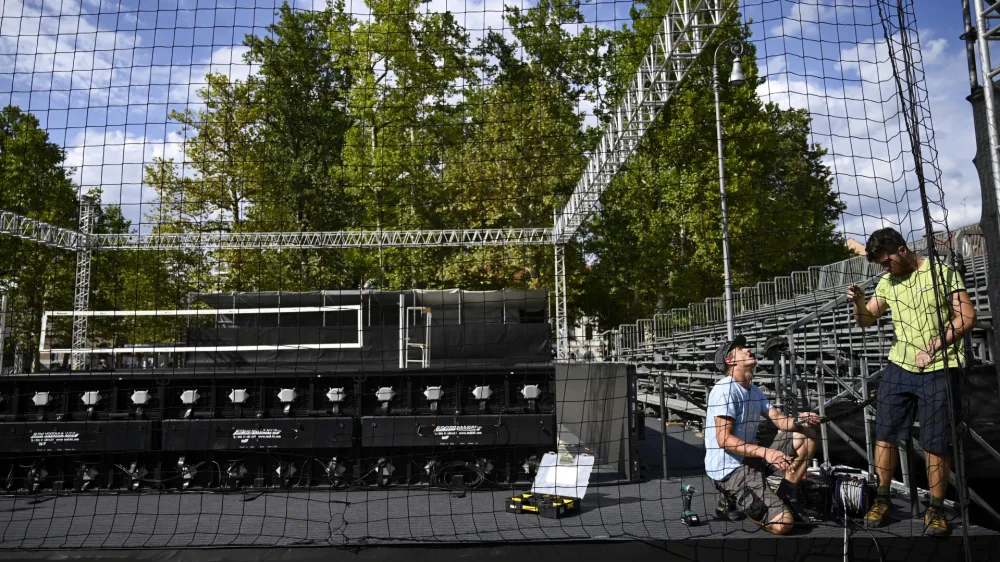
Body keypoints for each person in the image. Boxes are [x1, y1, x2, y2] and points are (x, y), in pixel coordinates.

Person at [848, 227, 976, 537]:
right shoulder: (887, 281)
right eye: (879, 264)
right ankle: (882, 499)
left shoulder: (941, 272)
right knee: (884, 434)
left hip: (940, 367)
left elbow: (967, 317)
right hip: (899, 366)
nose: (884, 268)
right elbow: (866, 320)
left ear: (902, 250)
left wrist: (933, 346)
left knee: (934, 441)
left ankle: (935, 508)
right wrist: (859, 302)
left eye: (886, 261)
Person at [705, 335, 820, 535]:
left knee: (806, 434)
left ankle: (784, 496)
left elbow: (780, 421)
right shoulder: (724, 390)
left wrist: (800, 420)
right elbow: (724, 440)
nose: (748, 349)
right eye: (741, 349)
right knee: (783, 524)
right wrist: (766, 453)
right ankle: (734, 497)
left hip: (752, 458)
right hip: (730, 469)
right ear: (730, 361)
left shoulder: (754, 390)